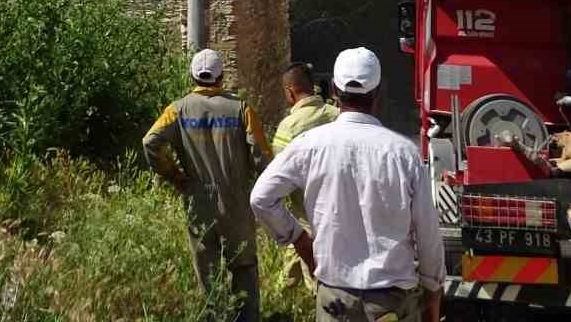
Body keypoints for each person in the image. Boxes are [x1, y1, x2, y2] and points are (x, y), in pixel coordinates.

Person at [250, 48, 444, 322]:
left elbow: (261, 198)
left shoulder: (309, 145)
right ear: (379, 93)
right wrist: (433, 292)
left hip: (334, 301)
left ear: (332, 90)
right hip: (392, 302)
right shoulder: (404, 154)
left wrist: (299, 238)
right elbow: (428, 234)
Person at [143, 48, 271, 322]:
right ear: (221, 76)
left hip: (197, 202)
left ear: (193, 76)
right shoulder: (241, 109)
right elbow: (262, 155)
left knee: (208, 275)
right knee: (244, 268)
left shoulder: (176, 110)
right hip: (236, 202)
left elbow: (149, 142)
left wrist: (174, 175)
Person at [271, 62, 340, 286]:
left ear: (290, 91)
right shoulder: (337, 116)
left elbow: (279, 182)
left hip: (307, 224)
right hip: (342, 218)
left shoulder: (288, 128)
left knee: (319, 290)